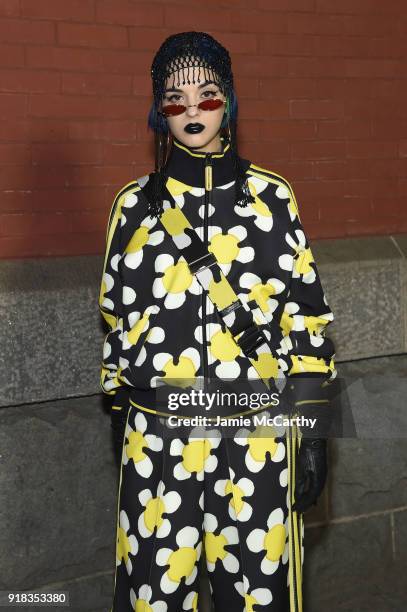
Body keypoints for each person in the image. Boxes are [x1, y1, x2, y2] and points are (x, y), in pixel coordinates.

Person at [99, 31, 337, 612]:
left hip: (254, 439)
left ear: (228, 102)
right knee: (151, 598)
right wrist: (119, 408)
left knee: (259, 597)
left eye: (207, 95)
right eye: (175, 98)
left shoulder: (272, 198)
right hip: (158, 439)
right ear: (159, 110)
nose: (192, 110)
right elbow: (114, 314)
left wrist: (309, 433)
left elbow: (304, 317)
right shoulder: (132, 206)